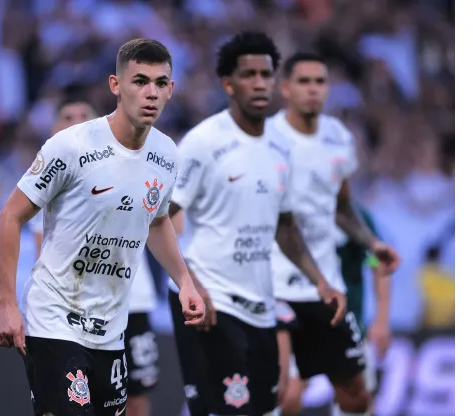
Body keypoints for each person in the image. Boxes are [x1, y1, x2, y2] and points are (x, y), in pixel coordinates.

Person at [0, 38, 205, 416]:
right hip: (54, 317)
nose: (150, 92)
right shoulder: (71, 146)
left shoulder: (167, 154)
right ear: (115, 85)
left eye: (160, 83)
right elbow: (10, 216)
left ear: (171, 90)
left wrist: (183, 281)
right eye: (139, 81)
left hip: (110, 325)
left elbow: (156, 221)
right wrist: (7, 304)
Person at [167, 31, 346, 416]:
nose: (260, 83)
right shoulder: (203, 143)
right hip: (210, 296)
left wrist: (320, 280)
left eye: (266, 74)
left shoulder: (281, 147)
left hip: (260, 304)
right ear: (228, 84)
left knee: (266, 408)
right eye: (249, 75)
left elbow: (284, 226)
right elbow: (161, 219)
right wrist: (191, 285)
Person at [268, 52, 401, 416]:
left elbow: (343, 208)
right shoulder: (267, 139)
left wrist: (372, 244)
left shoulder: (338, 138)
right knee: (285, 395)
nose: (313, 90)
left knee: (356, 396)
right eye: (304, 82)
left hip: (329, 292)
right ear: (285, 88)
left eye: (320, 82)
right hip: (276, 286)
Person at [28, 97, 161, 416]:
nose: (75, 121)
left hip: (131, 302)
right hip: (70, 310)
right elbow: (38, 249)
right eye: (66, 115)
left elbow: (164, 221)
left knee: (136, 400)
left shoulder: (130, 164)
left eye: (83, 115)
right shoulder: (49, 174)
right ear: (53, 127)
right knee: (68, 402)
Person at [276, 202, 391, 415]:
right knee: (288, 397)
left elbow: (377, 263)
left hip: (347, 319)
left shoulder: (355, 217)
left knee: (359, 400)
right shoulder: (285, 213)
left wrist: (381, 321)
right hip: (296, 315)